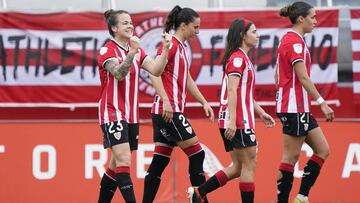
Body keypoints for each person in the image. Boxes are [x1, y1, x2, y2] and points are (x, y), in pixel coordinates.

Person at [187, 18, 275, 203]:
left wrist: (260, 111)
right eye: (254, 31)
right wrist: (234, 121)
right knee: (249, 165)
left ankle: (199, 193)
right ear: (243, 35)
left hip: (238, 118)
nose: (257, 35)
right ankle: (199, 193)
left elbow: (243, 92)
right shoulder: (237, 58)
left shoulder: (241, 57)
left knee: (238, 167)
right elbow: (233, 90)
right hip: (238, 120)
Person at [96, 9, 171, 203]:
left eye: (131, 22)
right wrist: (132, 53)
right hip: (112, 112)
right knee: (124, 161)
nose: (130, 26)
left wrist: (165, 49)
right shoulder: (107, 50)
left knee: (114, 166)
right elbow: (119, 74)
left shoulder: (135, 49)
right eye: (125, 23)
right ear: (114, 28)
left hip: (130, 115)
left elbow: (156, 69)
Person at [142, 5, 214, 203]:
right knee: (197, 154)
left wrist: (203, 101)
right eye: (195, 27)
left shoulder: (181, 47)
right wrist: (166, 100)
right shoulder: (171, 45)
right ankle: (198, 198)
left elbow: (187, 78)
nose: (197, 32)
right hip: (168, 111)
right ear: (183, 26)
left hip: (166, 111)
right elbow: (153, 73)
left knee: (159, 162)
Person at [275, 2, 335, 203]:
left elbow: (277, 75)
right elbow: (303, 77)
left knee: (323, 150)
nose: (316, 21)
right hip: (294, 107)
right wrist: (322, 102)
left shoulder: (289, 39)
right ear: (301, 19)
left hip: (297, 107)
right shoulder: (295, 42)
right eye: (313, 17)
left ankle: (301, 197)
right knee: (290, 158)